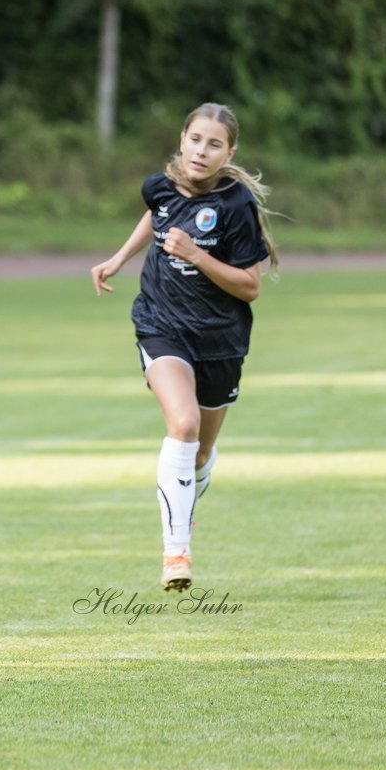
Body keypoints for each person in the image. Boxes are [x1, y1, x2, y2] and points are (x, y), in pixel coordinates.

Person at [90, 102, 279, 593]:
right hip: (161, 324)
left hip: (221, 340)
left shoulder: (237, 206)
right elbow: (156, 216)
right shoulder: (159, 185)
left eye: (214, 143)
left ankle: (185, 506)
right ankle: (176, 552)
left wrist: (196, 254)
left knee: (199, 455)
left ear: (229, 152)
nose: (202, 150)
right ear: (182, 139)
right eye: (196, 139)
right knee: (184, 424)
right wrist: (118, 259)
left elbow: (250, 286)